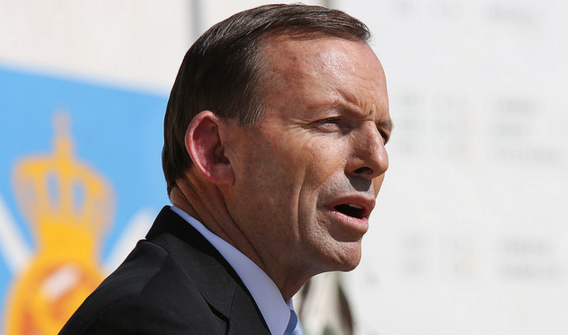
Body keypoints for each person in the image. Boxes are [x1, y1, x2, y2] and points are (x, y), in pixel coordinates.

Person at [59, 3, 392, 334]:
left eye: (383, 133)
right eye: (331, 122)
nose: (378, 159)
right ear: (216, 151)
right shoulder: (149, 321)